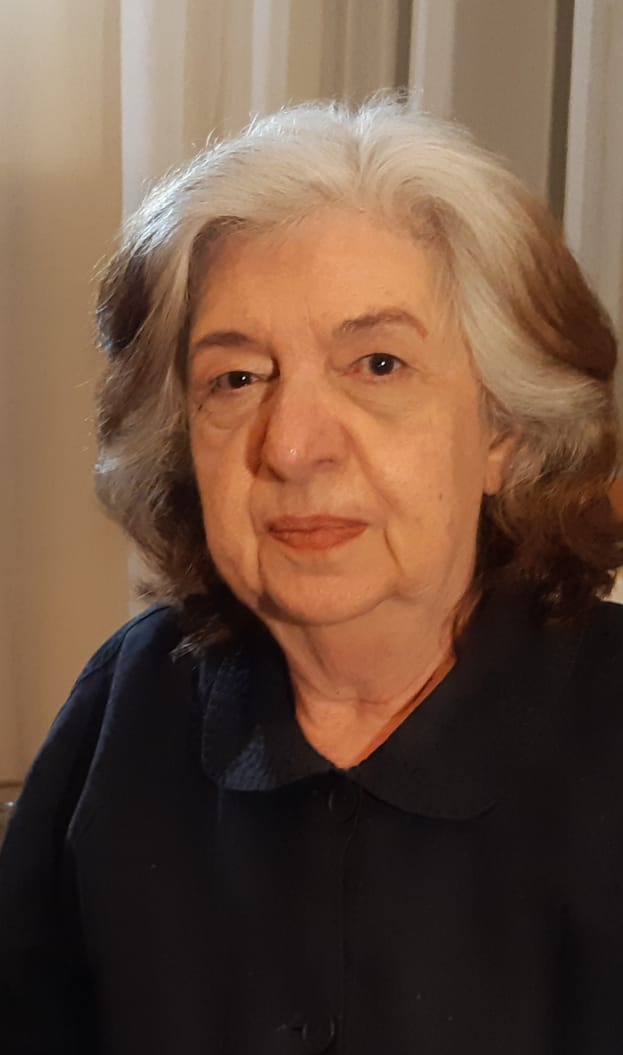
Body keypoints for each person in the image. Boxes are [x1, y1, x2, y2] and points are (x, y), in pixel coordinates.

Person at [1, 96, 623, 1055]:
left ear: (503, 429)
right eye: (236, 378)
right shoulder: (131, 697)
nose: (291, 446)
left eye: (377, 364)